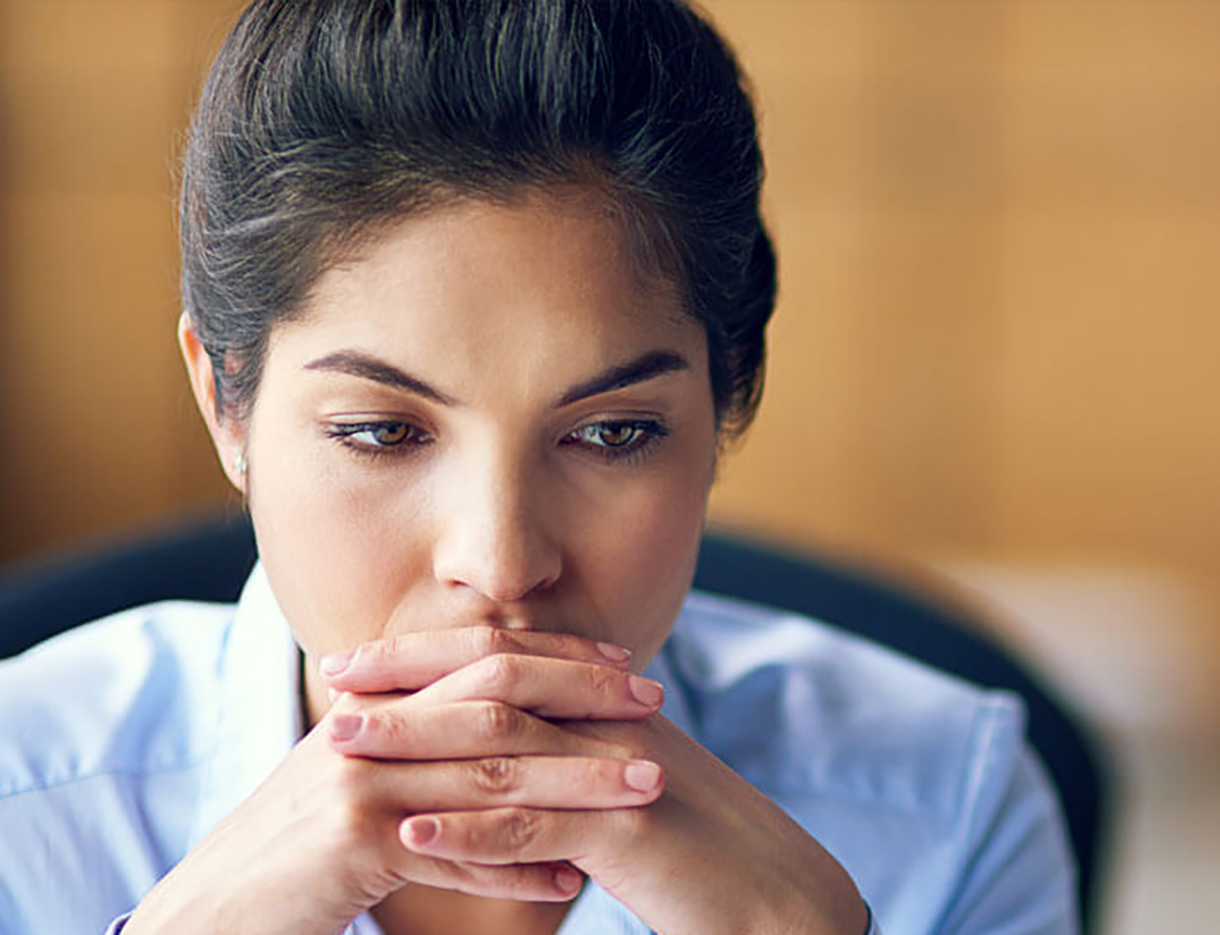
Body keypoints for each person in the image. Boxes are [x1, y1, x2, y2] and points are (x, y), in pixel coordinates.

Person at [0, 2, 1079, 933]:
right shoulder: (24, 802)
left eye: (612, 433)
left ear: (726, 400)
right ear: (224, 398)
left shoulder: (947, 802)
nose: (502, 562)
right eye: (383, 430)